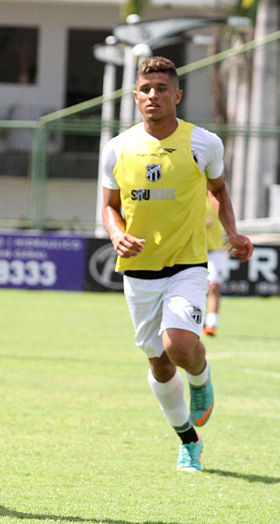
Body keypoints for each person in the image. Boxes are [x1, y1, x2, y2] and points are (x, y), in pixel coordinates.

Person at [101, 57, 253, 473]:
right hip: (138, 272)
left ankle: (201, 380)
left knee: (179, 345)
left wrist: (232, 232)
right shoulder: (117, 148)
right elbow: (109, 208)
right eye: (146, 89)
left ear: (177, 95)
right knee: (159, 363)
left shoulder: (203, 143)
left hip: (187, 265)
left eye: (162, 89)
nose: (153, 96)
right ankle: (188, 439)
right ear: (135, 96)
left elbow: (219, 189)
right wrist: (116, 235)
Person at [204, 193, 228, 336]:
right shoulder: (190, 197)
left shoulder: (218, 199)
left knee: (213, 286)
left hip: (215, 251)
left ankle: (211, 324)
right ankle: (197, 324)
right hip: (194, 250)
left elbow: (228, 221)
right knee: (196, 288)